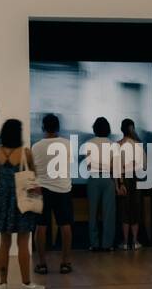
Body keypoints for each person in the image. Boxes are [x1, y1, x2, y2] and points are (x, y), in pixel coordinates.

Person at [0, 119, 44, 289]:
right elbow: (32, 177)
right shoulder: (25, 153)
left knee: (4, 243)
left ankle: (2, 283)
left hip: (2, 199)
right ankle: (26, 283)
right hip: (22, 200)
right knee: (23, 242)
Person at [32, 113, 74, 275]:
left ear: (43, 127)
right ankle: (65, 262)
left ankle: (42, 264)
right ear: (58, 128)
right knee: (65, 225)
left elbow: (33, 170)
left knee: (41, 227)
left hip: (42, 190)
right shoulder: (68, 144)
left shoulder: (36, 147)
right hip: (63, 189)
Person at [82, 117, 119, 251]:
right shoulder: (113, 144)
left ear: (94, 128)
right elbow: (113, 168)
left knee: (93, 213)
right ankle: (107, 245)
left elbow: (89, 165)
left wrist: (98, 166)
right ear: (108, 129)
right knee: (109, 213)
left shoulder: (88, 144)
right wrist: (118, 185)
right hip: (108, 180)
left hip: (93, 179)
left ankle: (94, 244)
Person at [115, 118, 146, 250]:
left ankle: (126, 242)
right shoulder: (138, 144)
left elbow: (116, 167)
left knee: (125, 211)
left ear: (122, 129)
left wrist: (118, 184)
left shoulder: (118, 144)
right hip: (137, 179)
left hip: (124, 179)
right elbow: (144, 164)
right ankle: (135, 241)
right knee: (136, 210)